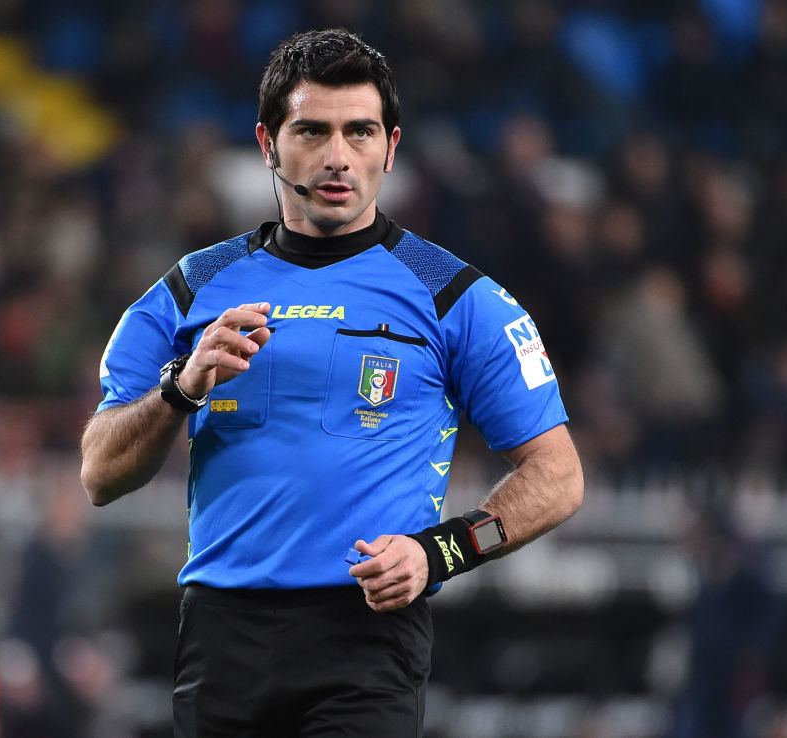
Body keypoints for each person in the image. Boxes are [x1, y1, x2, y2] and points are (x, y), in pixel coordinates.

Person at [80, 28, 583, 738]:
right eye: (312, 131)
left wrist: (438, 551)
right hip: (222, 635)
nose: (337, 156)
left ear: (391, 147)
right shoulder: (190, 290)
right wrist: (180, 389)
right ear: (267, 143)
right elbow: (99, 473)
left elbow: (558, 477)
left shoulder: (457, 297)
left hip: (366, 636)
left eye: (360, 131)